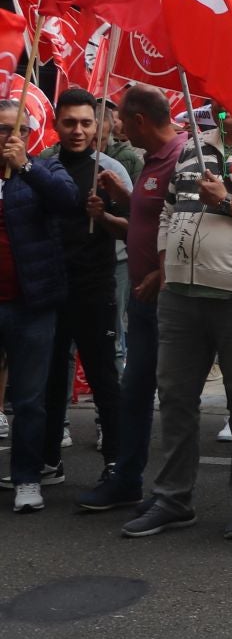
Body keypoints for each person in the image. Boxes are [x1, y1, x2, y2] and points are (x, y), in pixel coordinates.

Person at [122, 102, 232, 541]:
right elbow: (168, 210)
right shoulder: (193, 148)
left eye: (231, 96)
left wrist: (229, 201)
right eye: (217, 99)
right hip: (180, 296)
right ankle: (173, 499)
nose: (223, 107)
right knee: (177, 400)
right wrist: (166, 261)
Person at [75, 85, 183, 513]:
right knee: (136, 390)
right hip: (143, 302)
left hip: (169, 303)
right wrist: (112, 210)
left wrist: (162, 272)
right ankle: (129, 480)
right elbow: (141, 226)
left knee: (171, 396)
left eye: (119, 118)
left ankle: (173, 493)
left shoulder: (181, 159)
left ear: (139, 120)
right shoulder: (152, 162)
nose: (114, 125)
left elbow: (186, 226)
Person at [41, 89, 130, 489]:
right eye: (69, 122)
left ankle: (116, 461)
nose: (78, 131)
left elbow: (137, 227)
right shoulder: (41, 164)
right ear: (57, 124)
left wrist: (108, 213)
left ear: (98, 126)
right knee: (50, 376)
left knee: (103, 376)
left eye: (86, 122)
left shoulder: (110, 170)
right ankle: (47, 459)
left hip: (95, 286)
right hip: (48, 287)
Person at [0, 97, 78, 512]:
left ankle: (27, 480)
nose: (10, 137)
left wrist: (26, 166)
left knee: (30, 400)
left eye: (19, 130)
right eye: (2, 129)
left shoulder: (45, 168)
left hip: (31, 304)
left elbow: (69, 202)